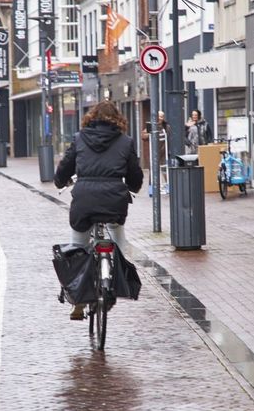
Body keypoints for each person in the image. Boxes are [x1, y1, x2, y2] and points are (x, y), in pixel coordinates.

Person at [54, 101, 144, 320]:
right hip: (114, 199)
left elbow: (66, 165)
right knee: (119, 241)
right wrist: (133, 186)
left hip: (84, 199)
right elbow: (134, 173)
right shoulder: (126, 141)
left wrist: (60, 181)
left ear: (91, 117)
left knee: (77, 245)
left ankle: (78, 297)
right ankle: (115, 282)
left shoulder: (79, 138)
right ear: (118, 119)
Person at [141, 110, 170, 193]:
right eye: (159, 116)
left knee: (165, 169)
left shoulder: (166, 127)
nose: (160, 118)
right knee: (153, 169)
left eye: (161, 116)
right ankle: (151, 188)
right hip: (154, 152)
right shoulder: (151, 126)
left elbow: (168, 136)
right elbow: (143, 136)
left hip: (163, 151)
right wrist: (150, 134)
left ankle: (167, 186)